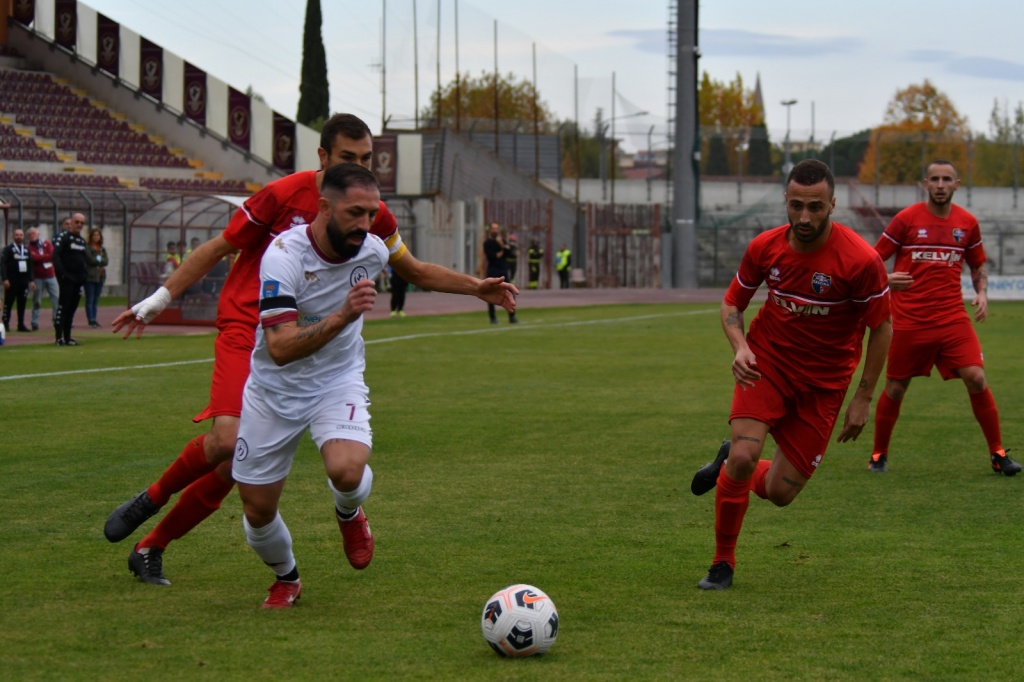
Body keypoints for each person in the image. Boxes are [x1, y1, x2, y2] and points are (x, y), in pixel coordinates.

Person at [104, 113, 517, 586]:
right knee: (223, 442)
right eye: (348, 158)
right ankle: (152, 498)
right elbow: (220, 247)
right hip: (250, 325)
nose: (358, 168)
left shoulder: (370, 212)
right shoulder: (282, 195)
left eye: (366, 160)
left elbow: (415, 269)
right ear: (323, 157)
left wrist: (474, 287)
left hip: (315, 352)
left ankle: (152, 544)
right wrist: (157, 301)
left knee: (236, 469)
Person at [689, 159, 892, 591]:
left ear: (832, 204)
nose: (804, 217)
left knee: (781, 492)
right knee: (747, 457)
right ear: (785, 199)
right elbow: (731, 305)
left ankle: (728, 462)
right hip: (768, 367)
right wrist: (741, 347)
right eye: (796, 205)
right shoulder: (765, 247)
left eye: (815, 207)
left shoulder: (860, 259)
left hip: (824, 386)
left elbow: (883, 327)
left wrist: (863, 398)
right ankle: (722, 563)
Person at [236, 163, 397, 607]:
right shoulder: (282, 256)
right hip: (275, 390)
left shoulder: (373, 250)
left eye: (371, 214)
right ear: (323, 207)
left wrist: (476, 287)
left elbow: (417, 269)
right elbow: (282, 347)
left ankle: (349, 511)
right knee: (257, 510)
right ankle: (287, 577)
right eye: (355, 213)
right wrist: (343, 315)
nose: (365, 225)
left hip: (336, 379)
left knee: (346, 470)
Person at [868, 159, 1020, 476]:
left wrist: (981, 292)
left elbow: (978, 266)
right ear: (926, 183)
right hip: (909, 320)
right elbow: (869, 262)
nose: (940, 184)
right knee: (896, 388)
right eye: (934, 179)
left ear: (956, 184)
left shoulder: (967, 223)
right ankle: (878, 455)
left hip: (952, 319)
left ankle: (998, 453)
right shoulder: (906, 220)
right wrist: (887, 278)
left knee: (977, 377)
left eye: (946, 179)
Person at [52, 213, 88, 346]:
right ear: (71, 223)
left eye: (81, 223)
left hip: (78, 280)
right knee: (63, 307)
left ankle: (68, 337)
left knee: (72, 308)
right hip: (67, 278)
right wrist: (62, 273)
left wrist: (84, 276)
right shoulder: (63, 237)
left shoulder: (81, 241)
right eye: (77, 222)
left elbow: (83, 260)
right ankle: (58, 337)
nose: (79, 225)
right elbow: (55, 255)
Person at [483, 222, 518, 324]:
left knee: (509, 292)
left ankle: (512, 316)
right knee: (490, 293)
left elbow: (510, 253)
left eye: (496, 229)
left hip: (503, 270)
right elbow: (493, 257)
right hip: (493, 270)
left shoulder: (502, 241)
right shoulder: (487, 243)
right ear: (490, 230)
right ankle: (493, 318)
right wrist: (502, 250)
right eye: (493, 229)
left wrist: (502, 245)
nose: (495, 231)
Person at [2, 227, 35, 332]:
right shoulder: (8, 249)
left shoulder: (26, 250)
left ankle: (21, 324)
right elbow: (3, 265)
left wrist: (31, 280)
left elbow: (30, 266)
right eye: (17, 235)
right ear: (13, 236)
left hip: (23, 281)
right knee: (9, 302)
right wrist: (5, 279)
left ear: (24, 237)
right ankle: (6, 323)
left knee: (22, 303)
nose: (19, 237)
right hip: (12, 281)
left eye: (21, 235)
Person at [27, 227, 59, 332]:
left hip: (50, 275)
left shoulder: (47, 244)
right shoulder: (28, 248)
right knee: (37, 300)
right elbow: (33, 258)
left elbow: (52, 255)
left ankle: (56, 319)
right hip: (38, 277)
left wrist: (41, 257)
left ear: (38, 234)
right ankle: (34, 322)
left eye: (34, 233)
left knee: (56, 298)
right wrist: (44, 256)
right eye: (30, 234)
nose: (32, 235)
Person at [84, 227, 109, 328]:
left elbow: (106, 261)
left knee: (96, 299)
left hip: (100, 276)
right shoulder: (88, 247)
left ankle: (94, 318)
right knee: (90, 299)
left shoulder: (102, 249)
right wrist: (99, 261)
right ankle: (91, 319)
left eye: (98, 235)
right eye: (94, 235)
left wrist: (99, 261)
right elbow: (90, 259)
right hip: (90, 276)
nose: (96, 237)